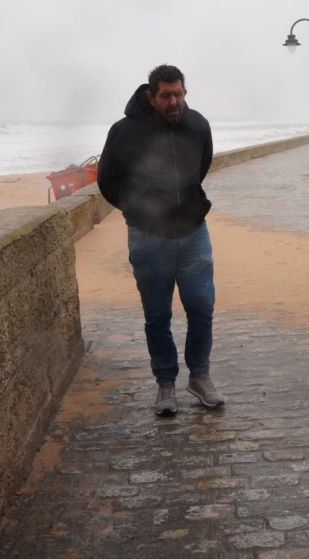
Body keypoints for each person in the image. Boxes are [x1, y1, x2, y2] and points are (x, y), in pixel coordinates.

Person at [97, 64, 224, 416]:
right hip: (148, 236)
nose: (174, 102)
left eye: (178, 94)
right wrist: (139, 211)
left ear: (185, 92)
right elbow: (107, 181)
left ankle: (200, 377)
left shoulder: (197, 125)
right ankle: (165, 383)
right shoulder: (124, 131)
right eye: (166, 96)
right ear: (151, 96)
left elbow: (201, 167)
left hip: (194, 233)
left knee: (202, 307)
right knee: (157, 315)